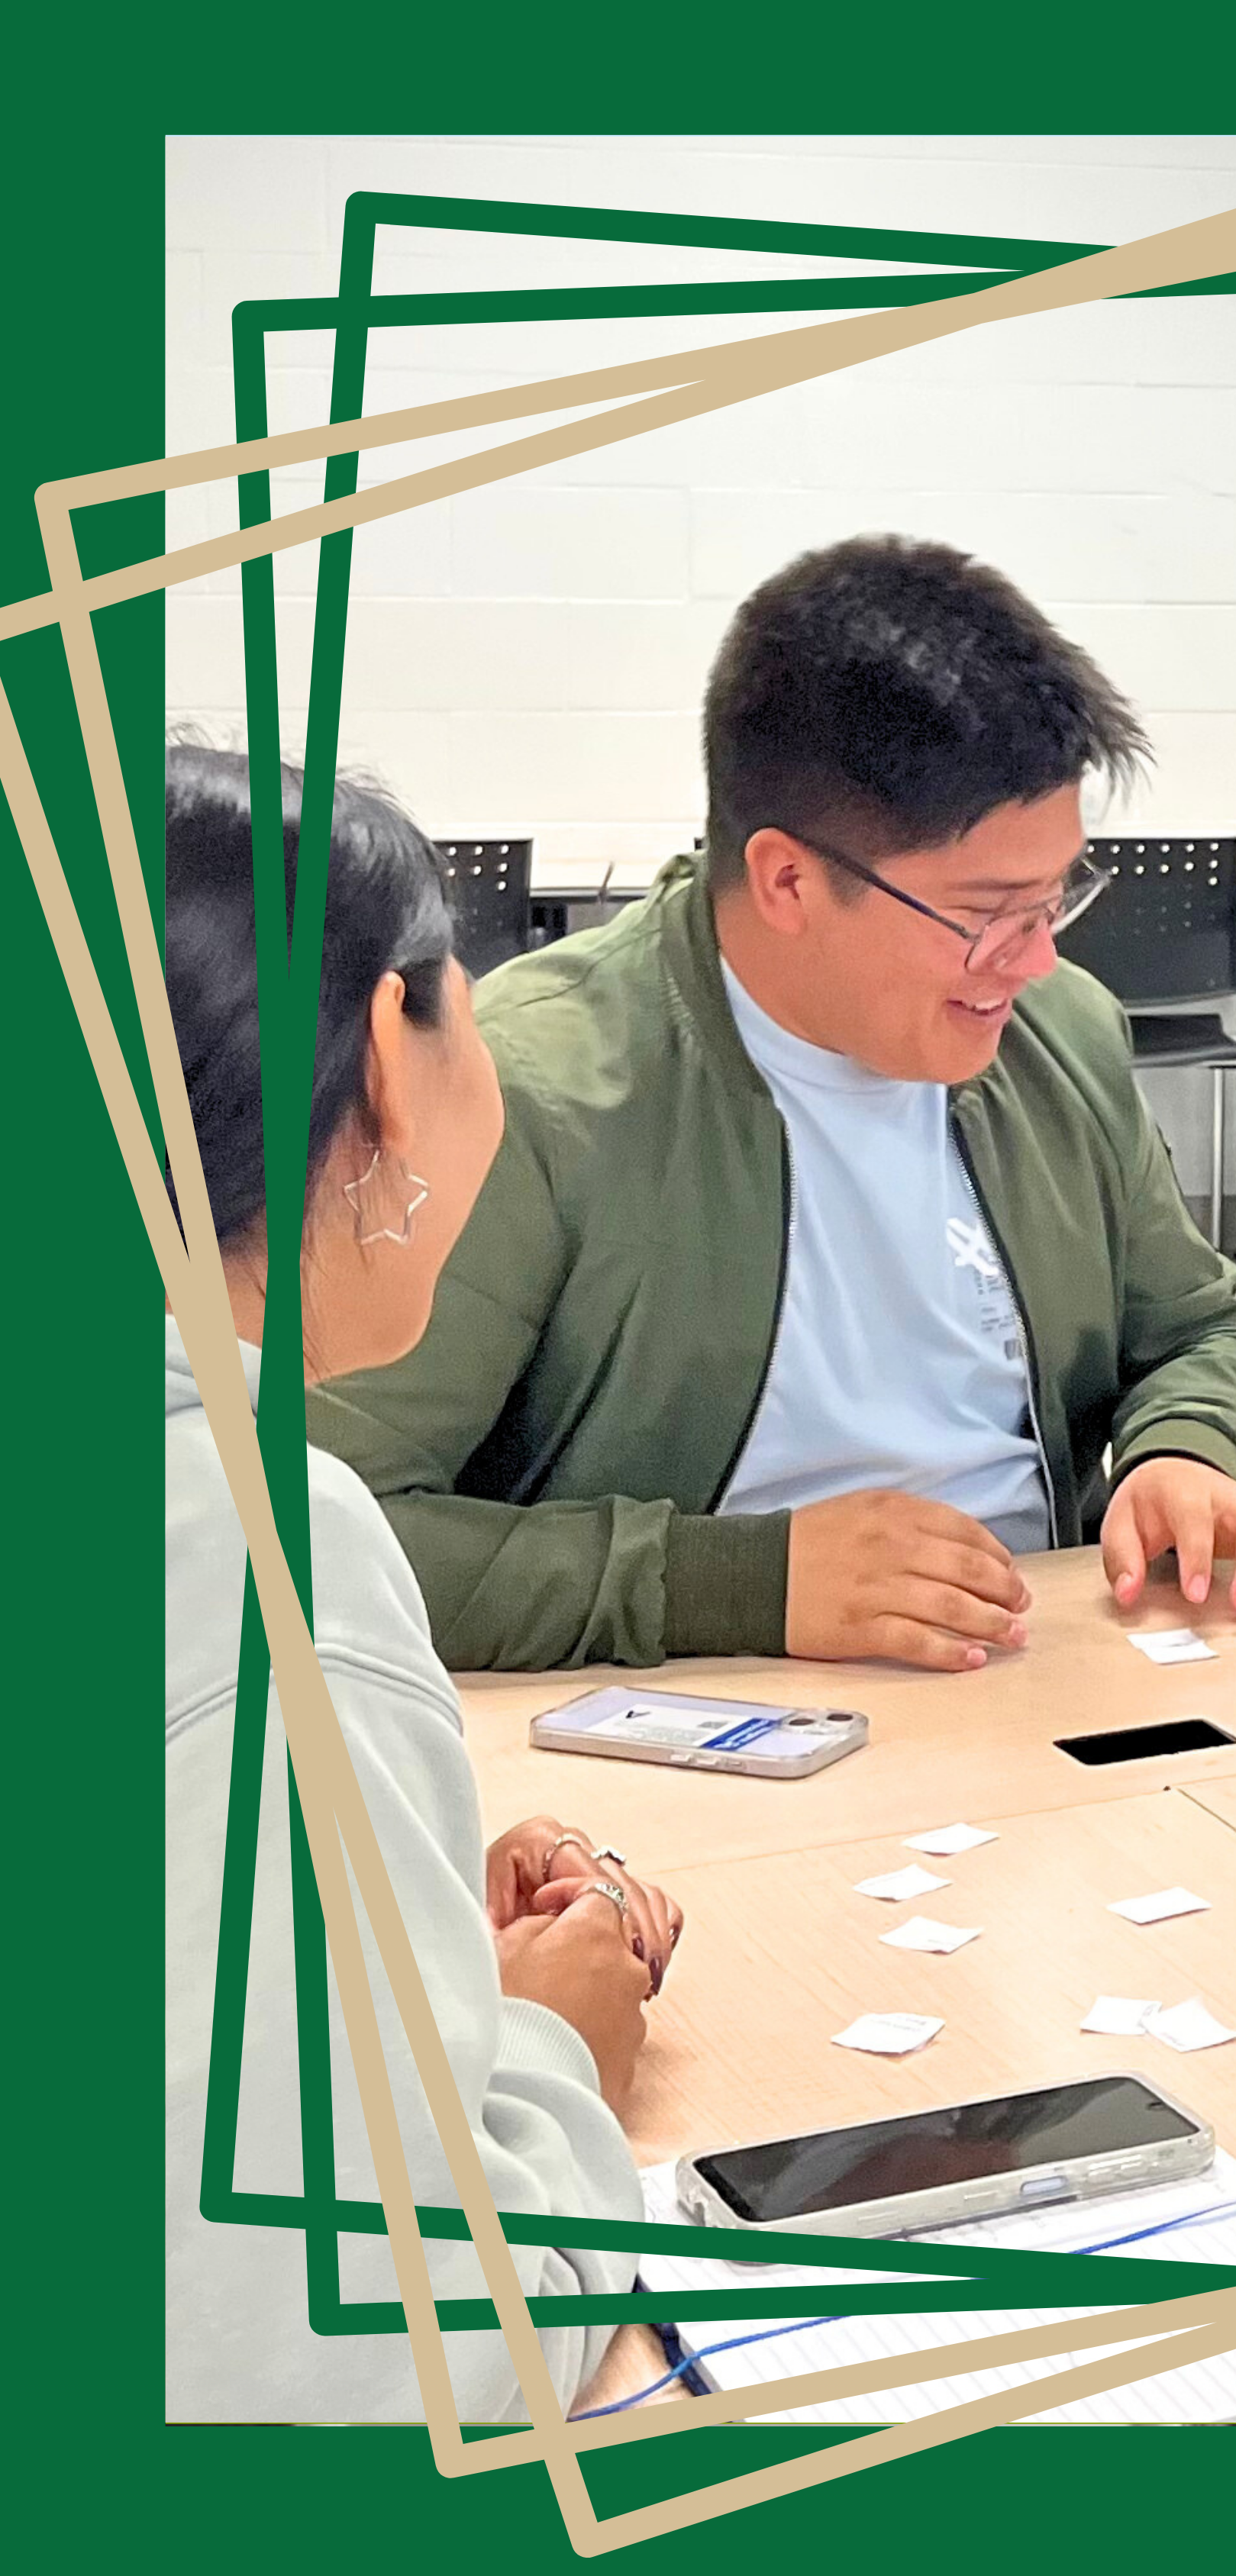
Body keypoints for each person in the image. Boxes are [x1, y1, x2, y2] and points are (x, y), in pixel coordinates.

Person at [311, 535, 1236, 1674]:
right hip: (703, 1708)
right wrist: (742, 1583)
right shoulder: (536, 1095)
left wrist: (1188, 1455)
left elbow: (1196, 1329)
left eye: (1055, 897)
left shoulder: (1056, 1033)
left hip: (1044, 1668)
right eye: (988, 912)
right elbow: (324, 1530)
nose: (1034, 961)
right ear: (787, 879)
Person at [165, 748, 680, 2421]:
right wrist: (541, 2053)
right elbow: (362, 2352)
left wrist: (378, 1911)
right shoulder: (253, 1551)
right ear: (392, 1048)